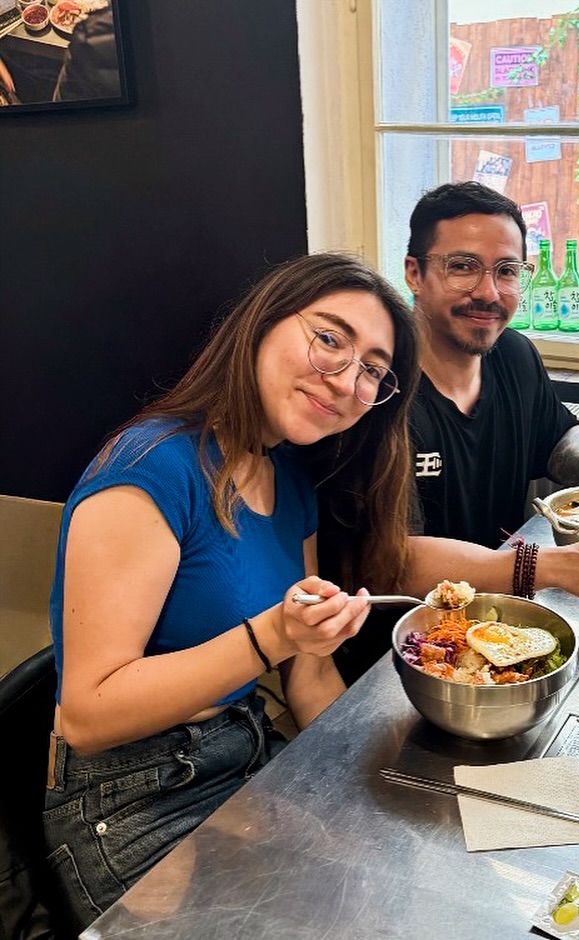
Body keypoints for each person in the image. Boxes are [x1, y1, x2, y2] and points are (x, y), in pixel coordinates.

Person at [43, 252, 419, 934]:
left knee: (387, 892)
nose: (344, 378)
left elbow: (308, 675)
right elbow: (87, 714)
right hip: (127, 799)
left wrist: (385, 778)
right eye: (329, 338)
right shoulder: (150, 467)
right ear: (261, 323)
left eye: (372, 370)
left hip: (239, 755)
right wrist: (270, 636)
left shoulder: (289, 477)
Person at [327, 182, 579, 684]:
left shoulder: (514, 355)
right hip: (400, 653)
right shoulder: (378, 390)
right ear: (414, 273)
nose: (488, 292)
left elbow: (556, 435)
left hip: (500, 636)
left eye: (507, 271)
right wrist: (550, 565)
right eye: (462, 266)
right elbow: (394, 559)